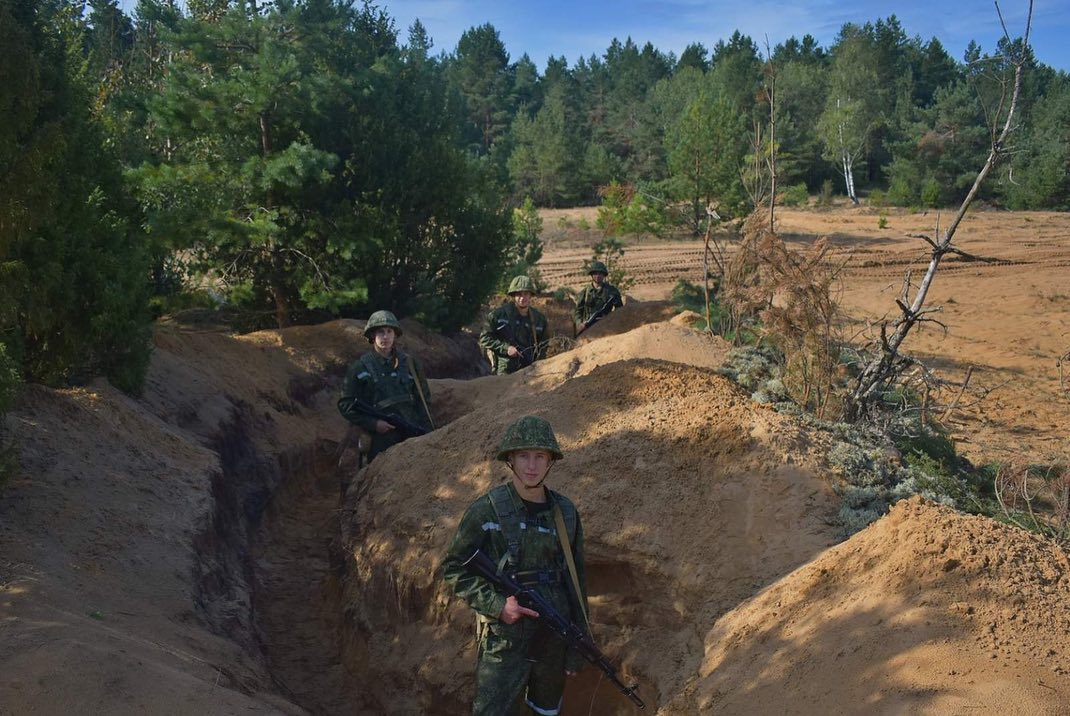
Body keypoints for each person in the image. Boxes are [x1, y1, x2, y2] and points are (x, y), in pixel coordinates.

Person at [442, 416, 588, 716]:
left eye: (540, 457)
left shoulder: (566, 513)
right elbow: (454, 567)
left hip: (554, 636)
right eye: (523, 456)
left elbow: (576, 582)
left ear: (551, 461)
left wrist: (578, 645)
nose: (531, 465)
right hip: (505, 637)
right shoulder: (487, 509)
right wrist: (497, 605)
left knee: (545, 711)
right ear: (511, 459)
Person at [337, 310, 433, 463]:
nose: (385, 337)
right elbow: (346, 405)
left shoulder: (410, 364)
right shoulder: (360, 367)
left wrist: (428, 433)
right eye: (380, 332)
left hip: (411, 431)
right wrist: (374, 424)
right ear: (372, 336)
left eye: (389, 331)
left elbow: (423, 400)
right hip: (380, 439)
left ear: (395, 335)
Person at [479, 276, 549, 375]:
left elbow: (543, 346)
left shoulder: (539, 319)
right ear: (513, 295)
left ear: (530, 295)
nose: (522, 298)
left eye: (526, 294)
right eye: (519, 294)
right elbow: (484, 338)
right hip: (505, 370)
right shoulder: (498, 315)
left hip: (529, 370)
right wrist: (506, 348)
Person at [573, 260, 623, 334]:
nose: (598, 276)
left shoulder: (612, 291)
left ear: (604, 275)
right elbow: (577, 311)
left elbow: (619, 309)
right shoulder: (585, 292)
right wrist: (580, 323)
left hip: (606, 327)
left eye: (600, 273)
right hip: (587, 327)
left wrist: (609, 318)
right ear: (592, 275)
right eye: (595, 273)